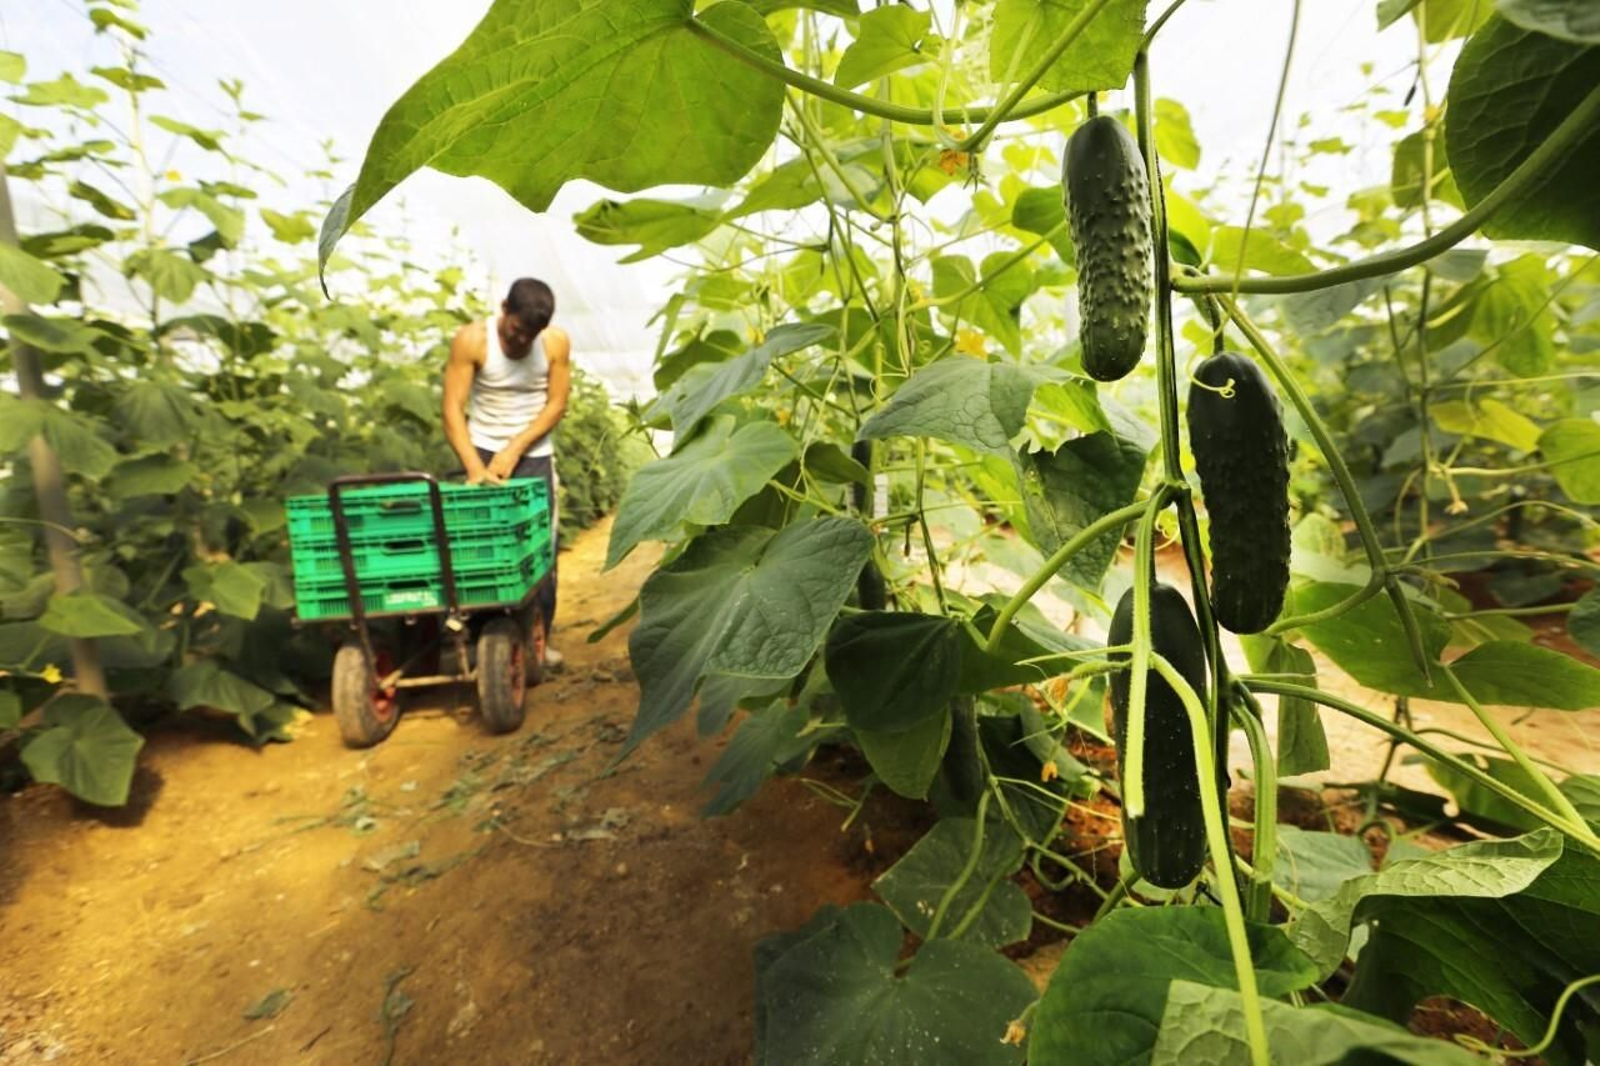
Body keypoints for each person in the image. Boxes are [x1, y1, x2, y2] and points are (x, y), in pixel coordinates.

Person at [443, 278, 570, 668]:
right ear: (503, 308)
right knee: (478, 550)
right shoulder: (472, 340)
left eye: (529, 336)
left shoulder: (554, 344)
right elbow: (452, 408)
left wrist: (515, 448)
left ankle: (538, 642)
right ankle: (481, 643)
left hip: (533, 455)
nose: (520, 343)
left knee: (539, 553)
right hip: (480, 448)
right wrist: (475, 468)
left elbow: (556, 404)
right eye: (516, 331)